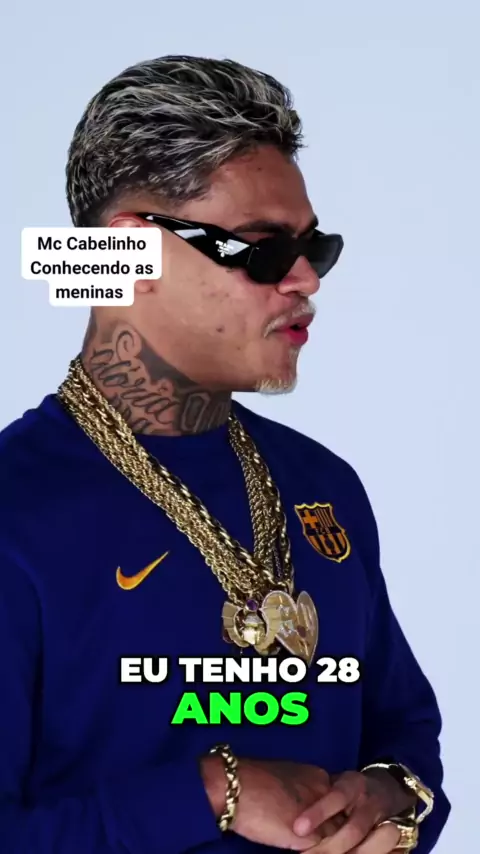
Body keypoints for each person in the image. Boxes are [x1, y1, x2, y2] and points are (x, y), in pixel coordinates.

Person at [1, 55, 449, 854]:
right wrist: (212, 792)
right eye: (264, 251)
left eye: (317, 249)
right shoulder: (16, 511)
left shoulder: (323, 484)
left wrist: (388, 796)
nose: (305, 280)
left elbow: (403, 728)